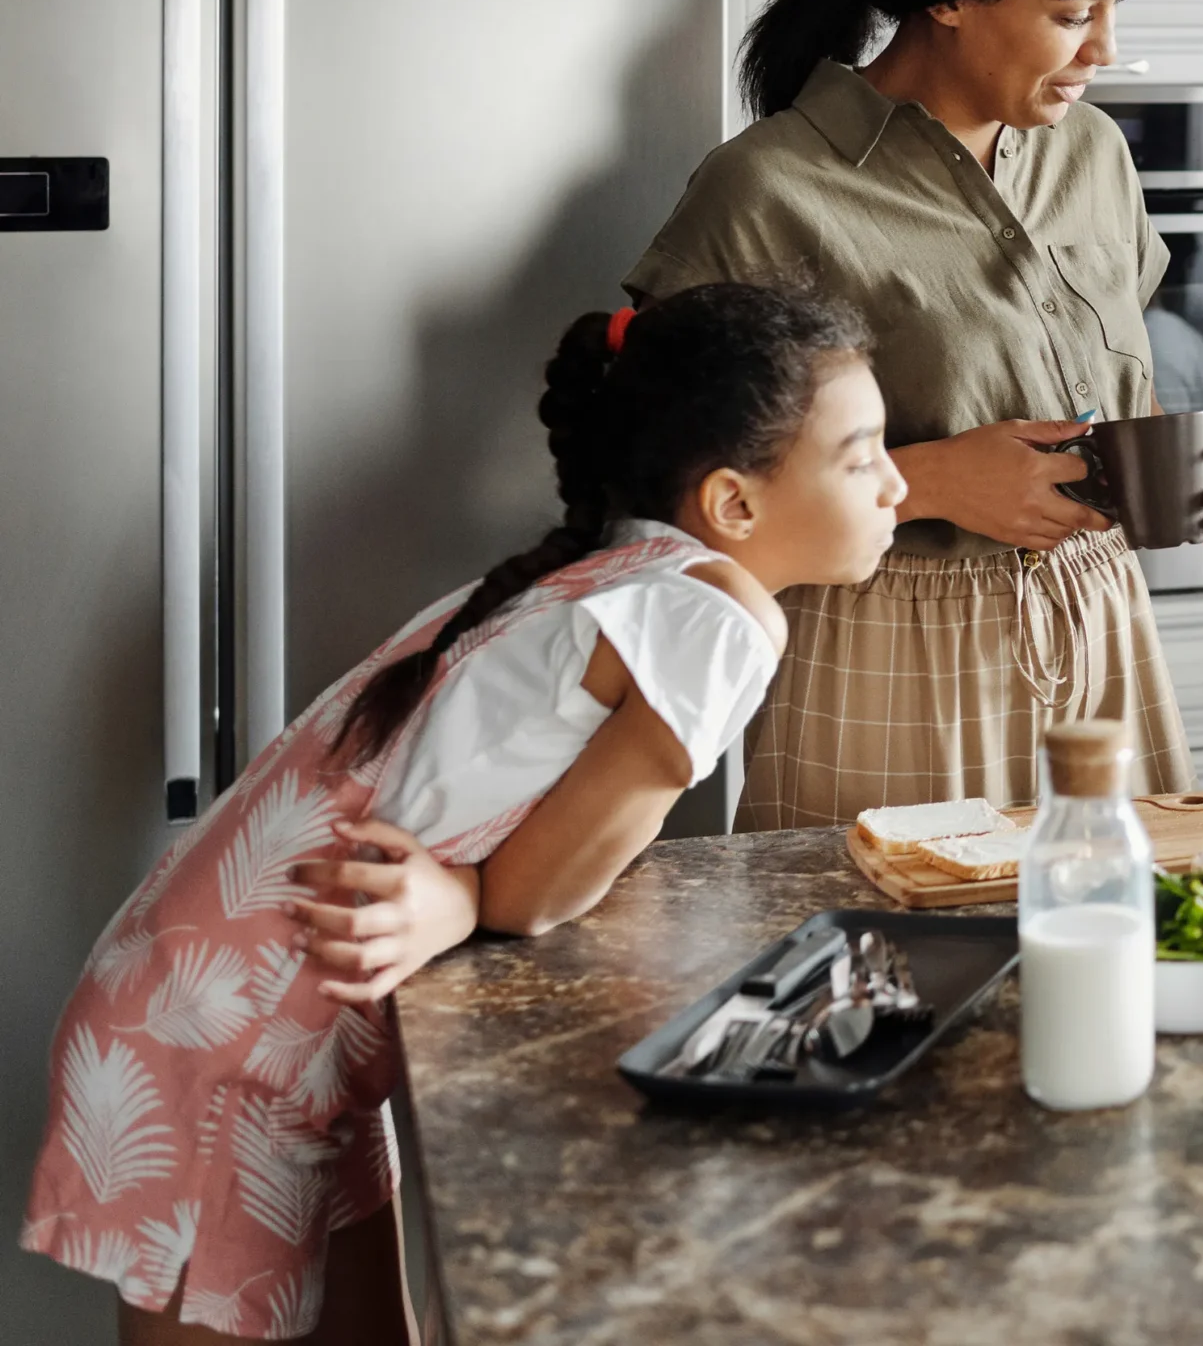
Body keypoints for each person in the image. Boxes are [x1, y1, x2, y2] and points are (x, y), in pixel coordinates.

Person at [21, 283, 902, 1344]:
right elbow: (537, 895)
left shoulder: (621, 566)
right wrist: (471, 894)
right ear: (733, 504)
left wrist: (459, 894)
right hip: (224, 1044)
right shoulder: (714, 617)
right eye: (862, 457)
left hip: (234, 1007)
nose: (897, 485)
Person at [625, 0, 1203, 828]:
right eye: (1074, 12)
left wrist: (1171, 468)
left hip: (1103, 624)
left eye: (1114, 7)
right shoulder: (770, 188)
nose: (1105, 50)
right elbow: (663, 491)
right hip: (881, 646)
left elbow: (1108, 370)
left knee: (1126, 956)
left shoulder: (1093, 157)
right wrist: (927, 483)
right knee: (894, 970)